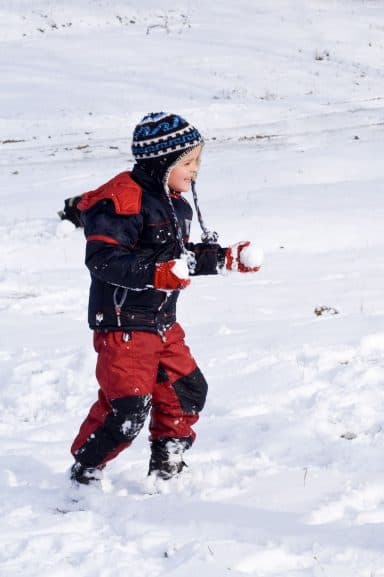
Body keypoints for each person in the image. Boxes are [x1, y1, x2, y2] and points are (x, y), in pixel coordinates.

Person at [68, 112, 263, 486]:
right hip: (123, 327)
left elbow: (178, 258)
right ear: (162, 162)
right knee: (127, 410)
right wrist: (154, 274)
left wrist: (223, 259)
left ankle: (167, 462)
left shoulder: (175, 206)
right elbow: (103, 259)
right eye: (188, 163)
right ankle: (85, 470)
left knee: (187, 390)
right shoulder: (122, 200)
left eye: (198, 162)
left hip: (161, 324)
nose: (195, 171)